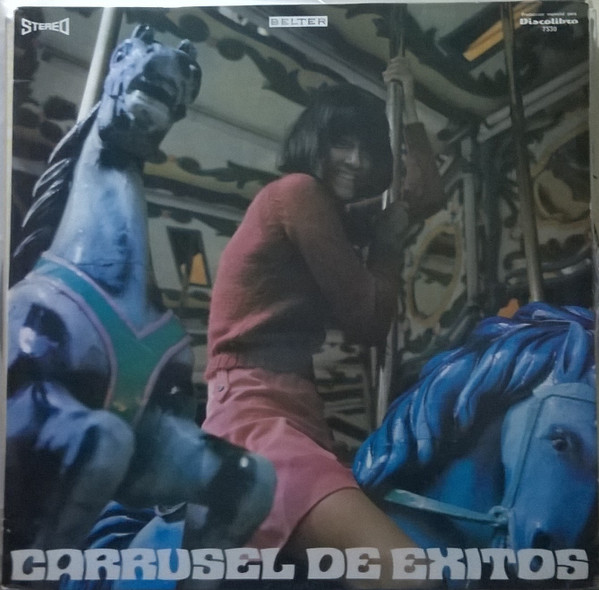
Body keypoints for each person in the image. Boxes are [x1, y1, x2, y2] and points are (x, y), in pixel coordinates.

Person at [202, 57, 444, 588]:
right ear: (314, 141)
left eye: (368, 150)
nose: (356, 161)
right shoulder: (298, 193)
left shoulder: (330, 214)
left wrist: (410, 108)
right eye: (341, 143)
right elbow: (367, 321)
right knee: (410, 575)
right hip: (253, 409)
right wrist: (386, 246)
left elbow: (425, 197)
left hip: (296, 408)